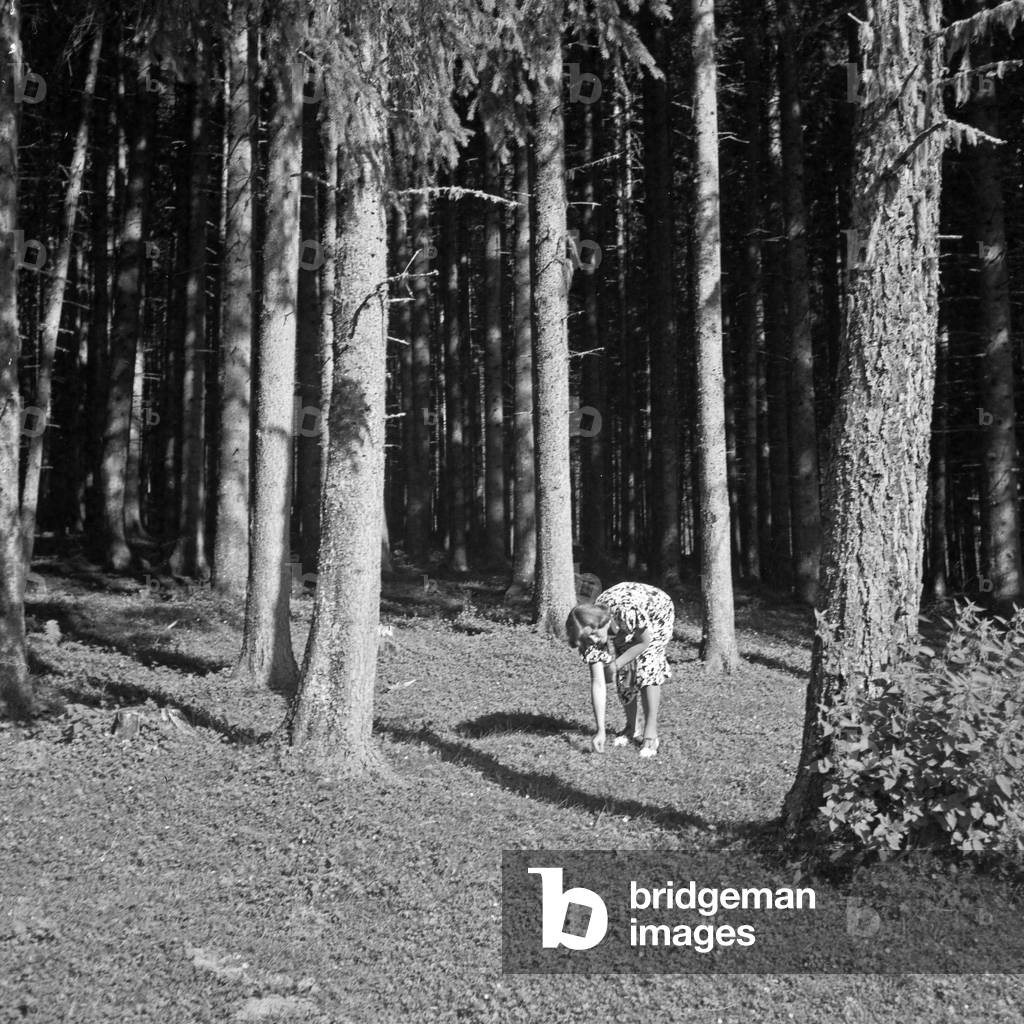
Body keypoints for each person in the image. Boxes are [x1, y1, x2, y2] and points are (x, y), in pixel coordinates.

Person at [565, 581, 675, 758]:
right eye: (587, 638)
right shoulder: (586, 633)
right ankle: (631, 727)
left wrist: (614, 665)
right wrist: (600, 730)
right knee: (626, 671)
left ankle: (650, 734)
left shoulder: (626, 611)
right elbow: (598, 683)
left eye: (593, 634)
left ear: (600, 623)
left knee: (648, 663)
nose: (592, 640)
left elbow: (644, 642)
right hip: (621, 624)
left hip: (656, 609)